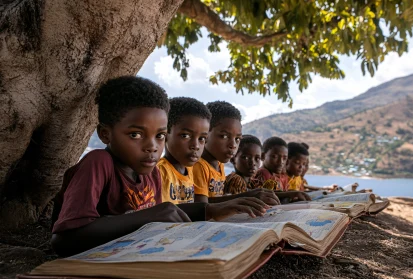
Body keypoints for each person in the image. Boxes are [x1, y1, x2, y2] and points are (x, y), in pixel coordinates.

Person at [51, 78, 267, 257]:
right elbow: (63, 241)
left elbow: (163, 214)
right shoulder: (98, 164)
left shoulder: (151, 173)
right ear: (106, 134)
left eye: (160, 136)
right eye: (136, 134)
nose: (152, 147)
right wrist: (148, 216)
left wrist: (212, 209)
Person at [193, 101, 279, 205]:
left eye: (237, 139)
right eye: (224, 136)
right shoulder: (199, 166)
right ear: (205, 133)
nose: (233, 145)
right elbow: (202, 208)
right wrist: (247, 196)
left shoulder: (219, 166)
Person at [251, 137, 311, 203]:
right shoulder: (263, 173)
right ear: (263, 156)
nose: (281, 162)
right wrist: (291, 194)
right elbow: (265, 195)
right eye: (275, 157)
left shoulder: (276, 176)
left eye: (284, 158)